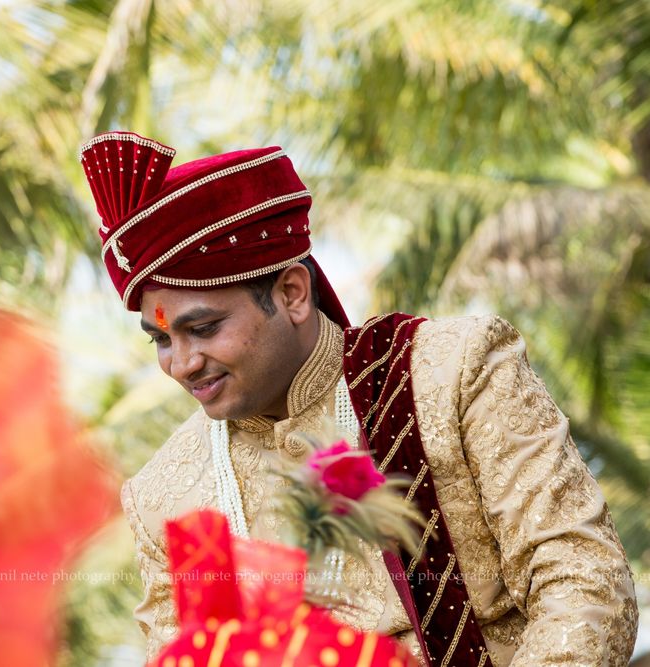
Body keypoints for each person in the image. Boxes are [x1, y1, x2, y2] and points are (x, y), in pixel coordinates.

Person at [79, 132, 638, 666]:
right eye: (161, 339)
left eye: (203, 329)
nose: (180, 364)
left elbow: (581, 575)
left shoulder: (447, 373)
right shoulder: (164, 497)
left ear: (292, 293)